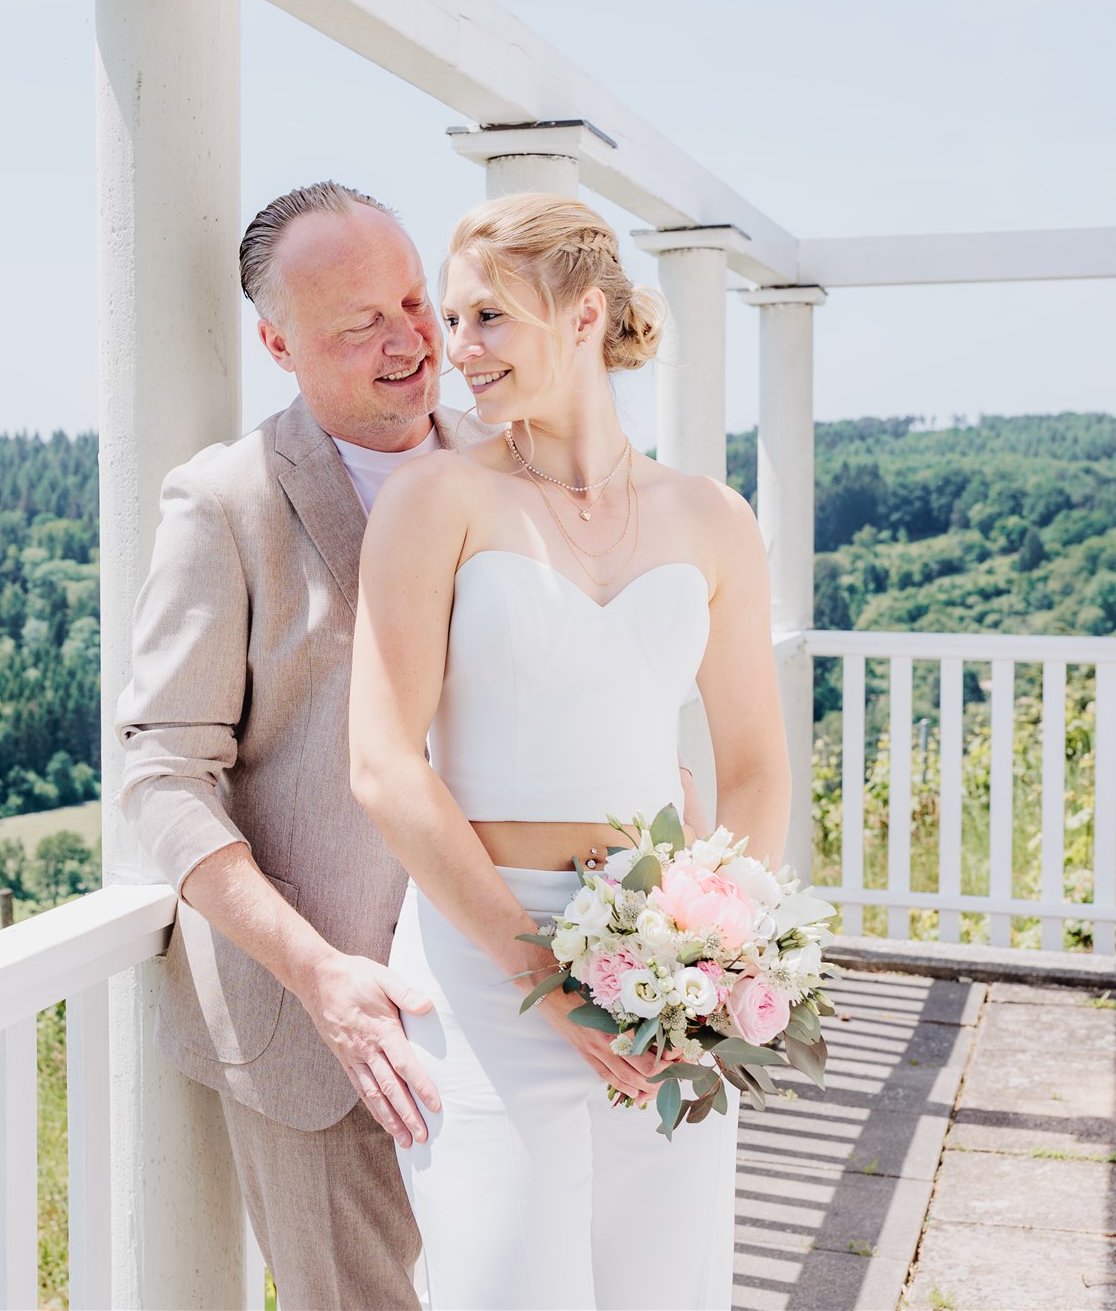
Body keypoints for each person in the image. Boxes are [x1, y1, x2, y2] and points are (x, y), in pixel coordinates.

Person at [116, 182, 705, 1309]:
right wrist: (316, 974)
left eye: (411, 303)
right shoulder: (222, 502)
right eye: (358, 325)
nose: (411, 343)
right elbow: (160, 770)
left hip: (540, 998)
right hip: (337, 1031)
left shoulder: (519, 463)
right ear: (277, 342)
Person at [350, 193, 791, 1310]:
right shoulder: (433, 498)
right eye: (451, 323)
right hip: (481, 967)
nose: (456, 353)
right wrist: (540, 975)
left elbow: (752, 766)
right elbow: (384, 766)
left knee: (663, 1284)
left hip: (658, 968)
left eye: (486, 318)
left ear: (583, 316)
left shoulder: (711, 518)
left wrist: (716, 952)